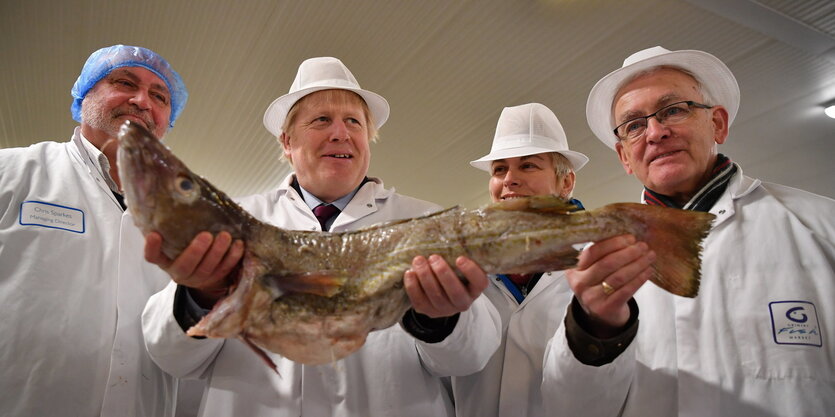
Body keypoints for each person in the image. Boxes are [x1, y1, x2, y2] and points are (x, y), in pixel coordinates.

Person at [139, 56, 501, 416]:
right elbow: (170, 357)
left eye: (354, 122)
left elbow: (472, 357)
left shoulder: (425, 222)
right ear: (286, 141)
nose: (340, 133)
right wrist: (200, 297)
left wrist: (441, 318)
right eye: (321, 120)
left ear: (367, 140)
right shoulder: (232, 223)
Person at [542, 46, 835, 416]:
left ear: (718, 124)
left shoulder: (821, 226)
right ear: (624, 157)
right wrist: (594, 328)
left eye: (673, 110)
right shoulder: (594, 260)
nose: (655, 132)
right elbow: (565, 407)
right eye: (634, 125)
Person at [0, 45, 188, 416]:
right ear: (85, 94)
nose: (141, 101)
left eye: (159, 96)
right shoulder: (12, 172)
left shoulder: (185, 213)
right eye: (124, 82)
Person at [441, 102, 589, 417]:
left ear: (565, 183)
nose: (510, 179)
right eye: (499, 169)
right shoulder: (461, 260)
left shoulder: (597, 259)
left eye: (528, 165)